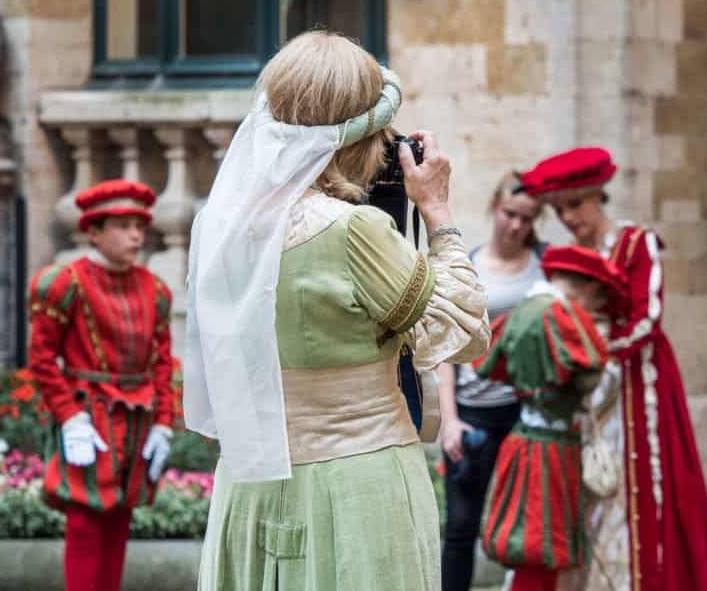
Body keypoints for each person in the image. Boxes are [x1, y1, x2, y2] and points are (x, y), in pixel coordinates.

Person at [184, 30, 490, 591]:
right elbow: (462, 329)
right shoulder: (354, 230)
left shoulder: (217, 225)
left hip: (251, 481)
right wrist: (437, 211)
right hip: (356, 482)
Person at [520, 146, 707, 591]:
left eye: (575, 204)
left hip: (637, 385)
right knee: (580, 491)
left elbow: (646, 319)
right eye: (559, 210)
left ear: (598, 195)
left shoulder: (637, 243)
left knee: (633, 488)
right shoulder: (566, 257)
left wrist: (591, 350)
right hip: (583, 391)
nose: (568, 218)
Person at [27, 179, 176, 591]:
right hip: (88, 420)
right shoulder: (65, 284)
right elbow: (42, 359)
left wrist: (164, 423)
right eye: (123, 226)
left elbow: (163, 363)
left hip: (137, 419)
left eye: (140, 226)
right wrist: (70, 418)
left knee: (120, 518)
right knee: (85, 519)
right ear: (94, 231)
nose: (136, 236)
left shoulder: (155, 290)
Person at [474, 245, 625, 591]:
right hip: (551, 450)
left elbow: (490, 365)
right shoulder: (562, 317)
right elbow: (590, 373)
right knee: (541, 546)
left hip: (523, 439)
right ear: (588, 287)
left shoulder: (521, 312)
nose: (595, 307)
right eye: (598, 297)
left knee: (530, 541)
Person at [438, 172, 544, 591]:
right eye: (509, 214)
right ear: (494, 208)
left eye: (527, 218)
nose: (516, 225)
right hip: (473, 413)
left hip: (527, 413)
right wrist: (450, 421)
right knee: (461, 526)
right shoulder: (470, 266)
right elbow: (446, 350)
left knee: (530, 524)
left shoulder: (545, 267)